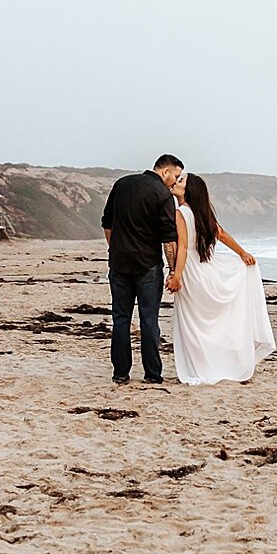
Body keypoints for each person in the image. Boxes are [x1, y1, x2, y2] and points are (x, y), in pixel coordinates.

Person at [168, 173, 275, 384]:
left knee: (194, 323)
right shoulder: (200, 213)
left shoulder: (181, 212)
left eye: (181, 181)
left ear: (190, 190)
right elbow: (222, 234)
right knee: (204, 322)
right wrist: (242, 253)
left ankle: (202, 367)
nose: (175, 183)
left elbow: (182, 246)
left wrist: (176, 276)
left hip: (190, 270)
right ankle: (218, 363)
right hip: (202, 269)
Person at [101, 154, 183, 385]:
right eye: (175, 176)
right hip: (148, 264)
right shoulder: (163, 195)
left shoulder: (122, 184)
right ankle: (152, 374)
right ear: (165, 171)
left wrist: (116, 248)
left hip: (119, 263)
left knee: (120, 318)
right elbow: (168, 239)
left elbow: (107, 223)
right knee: (149, 319)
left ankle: (120, 373)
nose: (175, 182)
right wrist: (173, 270)